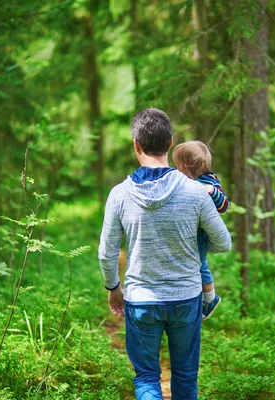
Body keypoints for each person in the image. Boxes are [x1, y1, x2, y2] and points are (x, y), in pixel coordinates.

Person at [98, 108, 232, 399]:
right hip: (186, 298)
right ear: (170, 143)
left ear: (136, 144)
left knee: (146, 378)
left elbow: (107, 253)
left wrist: (113, 288)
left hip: (141, 300)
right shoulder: (197, 192)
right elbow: (223, 242)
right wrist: (191, 244)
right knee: (185, 375)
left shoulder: (119, 194)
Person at [172, 141, 229, 320]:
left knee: (201, 265)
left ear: (183, 165)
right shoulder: (181, 180)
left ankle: (210, 299)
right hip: (185, 232)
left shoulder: (209, 181)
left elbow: (224, 205)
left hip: (199, 235)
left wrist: (212, 191)